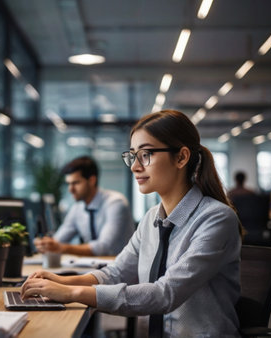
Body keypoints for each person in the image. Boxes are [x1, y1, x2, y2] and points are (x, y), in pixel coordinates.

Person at [22, 110, 242, 337]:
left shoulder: (216, 218)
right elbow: (116, 273)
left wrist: (72, 293)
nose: (135, 166)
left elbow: (165, 294)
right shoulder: (151, 219)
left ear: (181, 157)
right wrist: (63, 281)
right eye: (132, 155)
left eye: (146, 154)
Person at [33, 156, 134, 256]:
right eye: (68, 184)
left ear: (92, 180)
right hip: (95, 268)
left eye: (75, 183)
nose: (70, 189)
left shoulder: (116, 203)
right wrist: (46, 244)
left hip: (121, 269)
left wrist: (62, 248)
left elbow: (104, 247)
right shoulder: (77, 208)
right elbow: (58, 240)